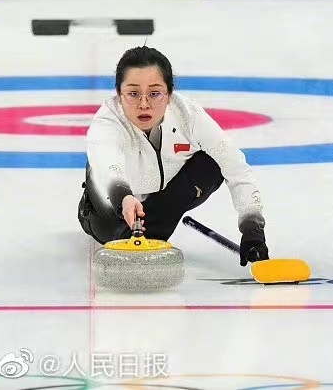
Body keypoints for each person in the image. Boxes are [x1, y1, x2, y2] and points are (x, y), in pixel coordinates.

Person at [77, 46, 269, 267]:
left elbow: (236, 168)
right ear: (119, 95)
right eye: (133, 93)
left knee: (212, 162)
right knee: (118, 223)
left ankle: (152, 231)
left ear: (169, 95)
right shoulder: (107, 123)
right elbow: (108, 166)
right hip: (110, 207)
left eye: (155, 93)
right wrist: (124, 198)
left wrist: (252, 229)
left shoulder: (189, 116)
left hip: (166, 198)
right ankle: (134, 230)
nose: (144, 103)